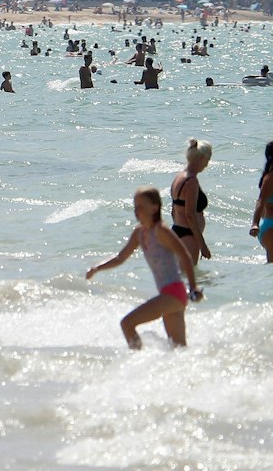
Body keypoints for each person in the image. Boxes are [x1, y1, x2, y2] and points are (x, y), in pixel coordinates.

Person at [86, 187, 201, 349]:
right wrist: (97, 268)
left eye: (141, 206)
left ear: (154, 207)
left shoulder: (161, 231)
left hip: (173, 294)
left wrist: (194, 287)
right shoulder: (139, 233)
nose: (136, 210)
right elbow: (121, 257)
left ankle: (136, 365)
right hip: (171, 296)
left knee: (127, 324)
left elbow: (185, 256)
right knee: (178, 348)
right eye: (135, 206)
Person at [169, 138, 212, 265]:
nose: (207, 165)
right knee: (190, 277)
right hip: (188, 235)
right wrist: (202, 244)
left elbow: (173, 210)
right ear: (201, 159)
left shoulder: (179, 177)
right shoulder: (191, 181)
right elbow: (190, 215)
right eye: (207, 160)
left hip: (177, 231)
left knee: (181, 275)